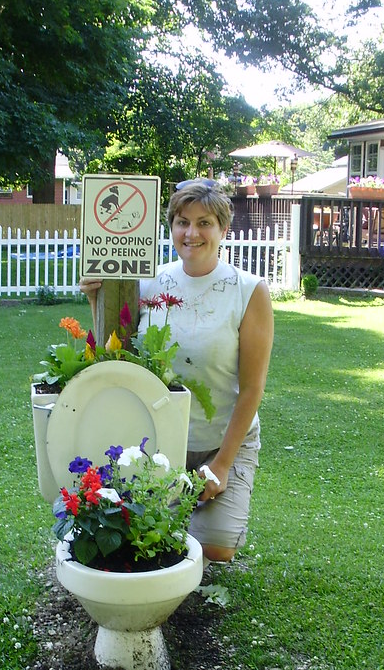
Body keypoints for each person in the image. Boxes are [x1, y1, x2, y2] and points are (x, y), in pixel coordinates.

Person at [79, 178, 274, 565]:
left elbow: (252, 388)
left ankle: (219, 506)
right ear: (171, 227)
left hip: (222, 441)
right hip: (159, 441)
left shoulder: (249, 291)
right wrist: (94, 301)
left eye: (205, 222)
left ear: (223, 229)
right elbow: (121, 358)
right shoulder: (149, 282)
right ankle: (184, 509)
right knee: (148, 540)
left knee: (214, 550)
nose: (192, 232)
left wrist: (219, 467)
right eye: (183, 221)